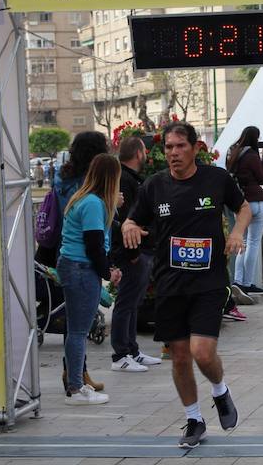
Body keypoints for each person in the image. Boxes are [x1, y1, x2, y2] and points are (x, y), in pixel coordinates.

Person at [122, 121, 250, 448]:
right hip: (169, 284)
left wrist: (236, 233)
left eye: (180, 146)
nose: (174, 153)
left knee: (202, 352)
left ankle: (220, 392)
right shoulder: (154, 187)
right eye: (169, 147)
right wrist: (129, 227)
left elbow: (244, 208)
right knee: (179, 357)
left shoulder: (216, 179)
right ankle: (194, 419)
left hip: (208, 281)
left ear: (194, 148)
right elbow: (132, 218)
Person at [41, 131, 110, 393]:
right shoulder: (86, 186)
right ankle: (76, 378)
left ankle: (76, 372)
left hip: (61, 249)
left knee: (75, 321)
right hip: (80, 255)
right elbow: (91, 229)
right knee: (79, 324)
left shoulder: (63, 177)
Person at [58, 154, 124, 405]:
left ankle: (75, 383)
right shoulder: (94, 204)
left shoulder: (82, 198)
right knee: (78, 331)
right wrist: (107, 273)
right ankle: (76, 388)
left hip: (72, 266)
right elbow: (94, 244)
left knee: (75, 329)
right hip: (81, 268)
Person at [110, 136, 161, 372]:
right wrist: (132, 253)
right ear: (139, 154)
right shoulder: (125, 181)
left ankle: (132, 350)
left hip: (140, 249)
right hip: (133, 252)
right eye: (144, 151)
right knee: (126, 301)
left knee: (133, 302)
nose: (147, 155)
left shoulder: (130, 179)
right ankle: (121, 354)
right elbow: (124, 221)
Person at [227, 126, 263, 294]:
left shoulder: (233, 153)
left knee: (241, 242)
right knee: (252, 243)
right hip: (256, 201)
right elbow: (261, 178)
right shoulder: (252, 155)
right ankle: (248, 282)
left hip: (240, 202)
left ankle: (237, 281)